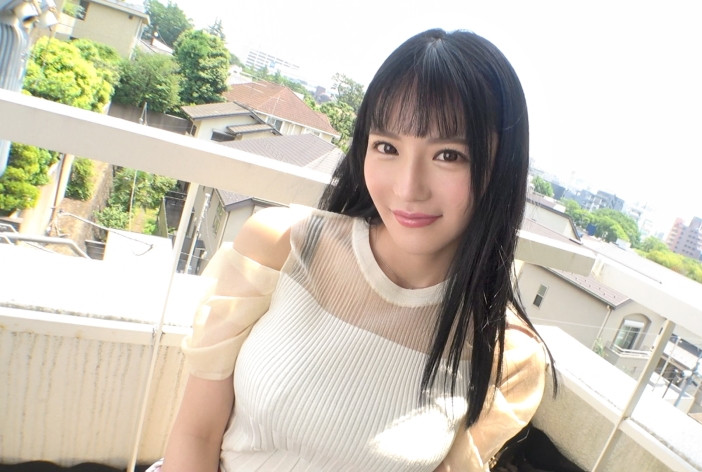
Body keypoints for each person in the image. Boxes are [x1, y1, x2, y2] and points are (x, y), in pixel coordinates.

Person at [155, 28, 554, 472]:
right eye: (387, 147)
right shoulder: (280, 246)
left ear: (502, 169)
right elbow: (196, 432)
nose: (408, 187)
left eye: (449, 155)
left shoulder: (507, 356)